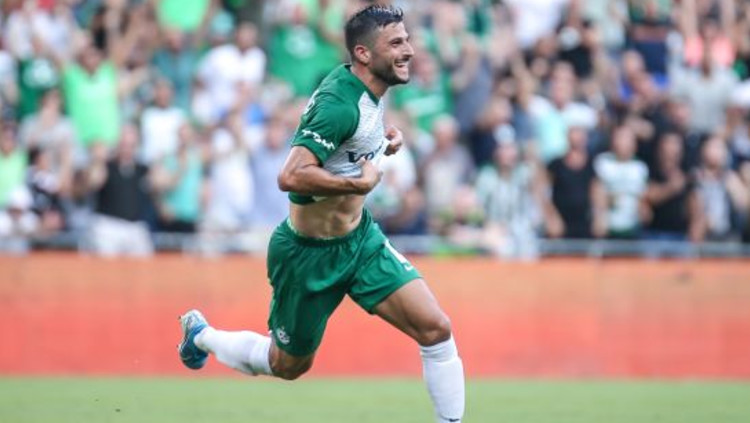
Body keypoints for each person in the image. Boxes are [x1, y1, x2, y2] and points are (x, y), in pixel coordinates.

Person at [178, 6, 465, 423]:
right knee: (287, 365)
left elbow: (348, 145)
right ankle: (203, 335)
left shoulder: (366, 89)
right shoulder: (339, 105)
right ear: (364, 54)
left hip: (360, 241)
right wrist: (358, 186)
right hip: (308, 254)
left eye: (406, 40)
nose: (409, 50)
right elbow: (291, 175)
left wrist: (383, 144)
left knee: (436, 329)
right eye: (396, 43)